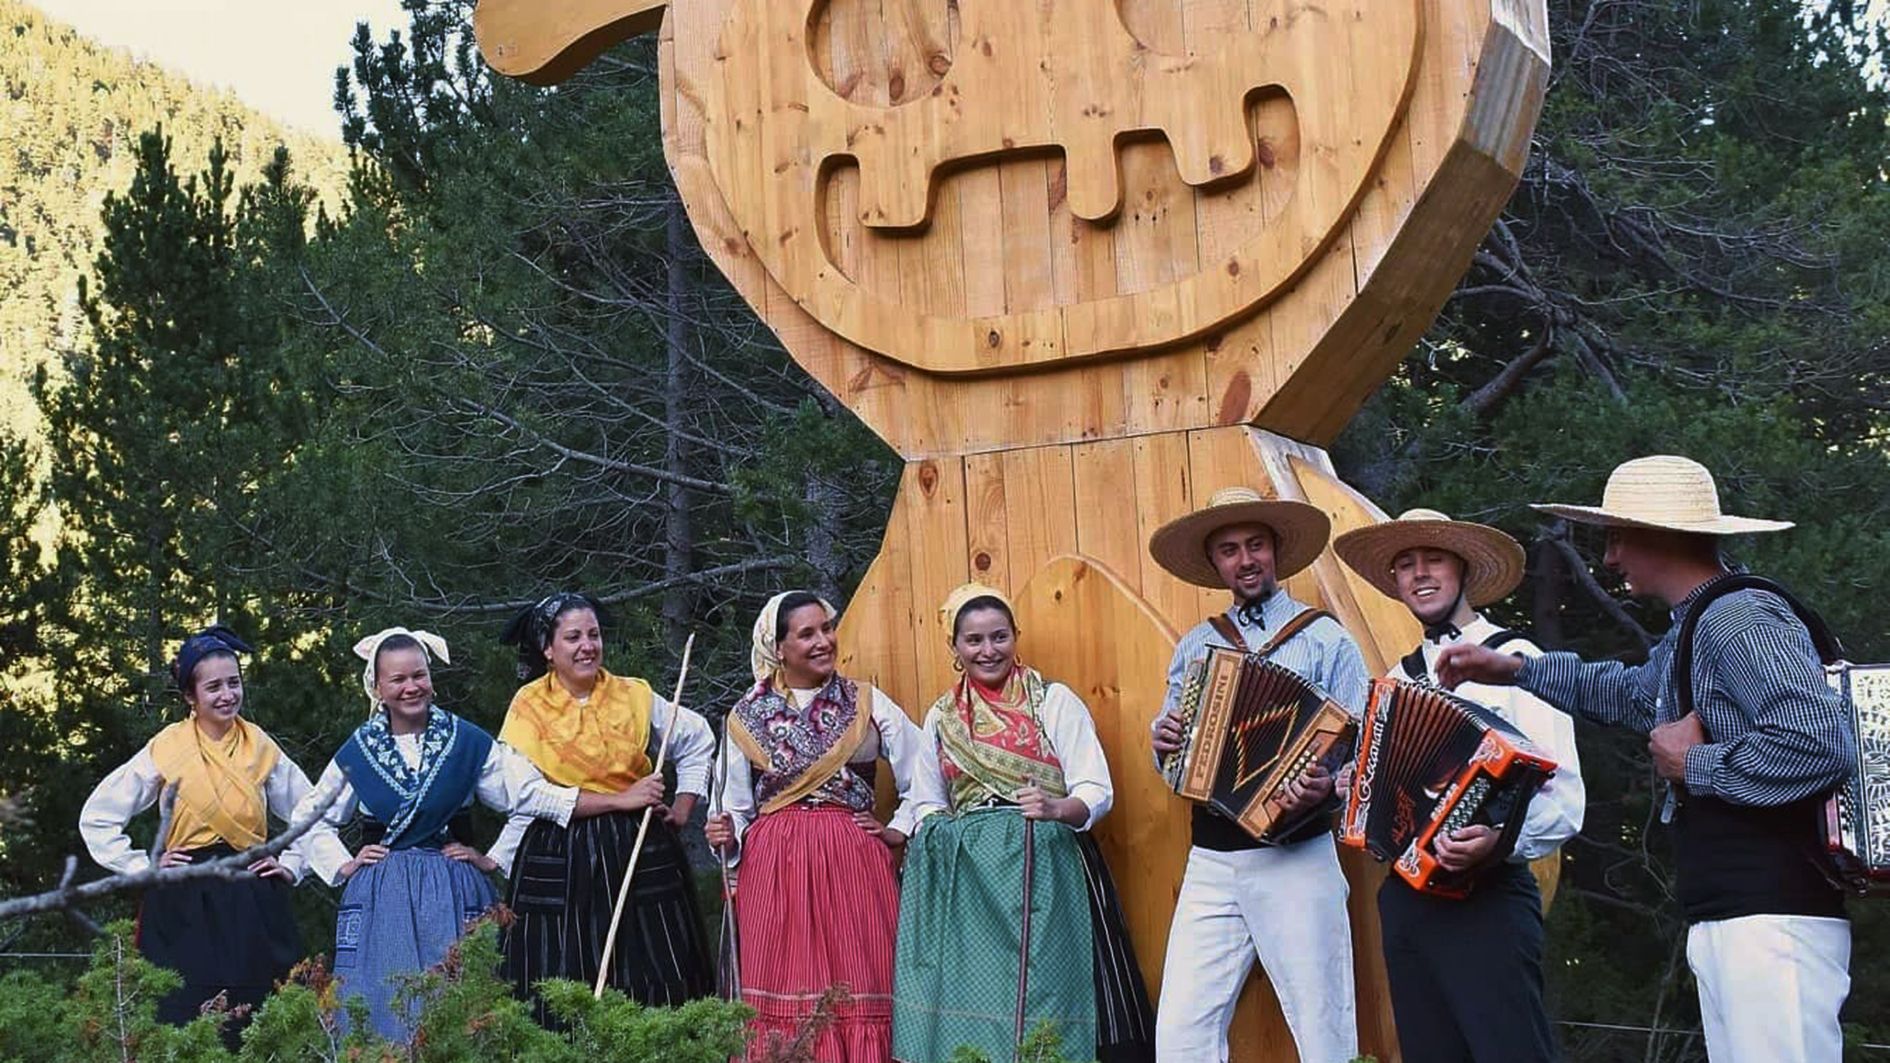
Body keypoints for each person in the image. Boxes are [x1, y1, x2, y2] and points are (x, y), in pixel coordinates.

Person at [1436, 455, 1855, 1063]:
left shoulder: (1737, 618)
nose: (1608, 558)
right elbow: (1633, 694)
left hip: (1775, 917)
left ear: (1660, 535)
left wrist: (1698, 765)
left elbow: (1820, 744)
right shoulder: (1699, 623)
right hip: (1740, 915)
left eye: (1617, 537)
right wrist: (1514, 670)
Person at [1333, 508, 1585, 1063]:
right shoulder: (1396, 681)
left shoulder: (1521, 661)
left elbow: (1567, 801)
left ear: (1463, 569)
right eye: (1405, 564)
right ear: (1395, 582)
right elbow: (1384, 800)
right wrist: (1355, 788)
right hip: (1406, 902)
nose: (1420, 573)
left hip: (1489, 901)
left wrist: (1499, 841)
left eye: (1434, 559)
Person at [1144, 486, 1368, 1063]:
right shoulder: (1197, 646)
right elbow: (1176, 765)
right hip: (1213, 857)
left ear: (1275, 553)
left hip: (1297, 853)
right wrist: (1161, 742)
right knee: (1180, 1034)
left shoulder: (1325, 639)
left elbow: (1363, 745)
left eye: (1255, 545)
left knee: (1324, 1031)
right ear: (1216, 564)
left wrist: (1330, 784)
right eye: (1229, 550)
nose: (1244, 560)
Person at [892, 583, 1155, 1063]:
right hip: (973, 880)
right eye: (973, 641)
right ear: (955, 647)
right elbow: (927, 802)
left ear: (1016, 636)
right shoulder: (942, 717)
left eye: (999, 637)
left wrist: (1056, 810)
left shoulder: (1053, 701)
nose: (988, 651)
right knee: (983, 990)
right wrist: (957, 838)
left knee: (1060, 985)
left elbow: (1096, 790)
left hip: (1052, 867)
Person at [293, 627, 582, 1041]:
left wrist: (494, 857)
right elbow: (309, 816)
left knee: (461, 1007)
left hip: (453, 887)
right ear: (377, 687)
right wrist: (343, 863)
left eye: (419, 676)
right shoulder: (360, 751)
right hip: (381, 895)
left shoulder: (466, 742)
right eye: (398, 679)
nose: (412, 687)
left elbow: (528, 798)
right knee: (380, 1005)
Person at [705, 591, 944, 1063]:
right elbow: (735, 809)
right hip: (775, 869)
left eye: (827, 629)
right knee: (782, 983)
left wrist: (899, 828)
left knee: (863, 979)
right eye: (807, 633)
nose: (823, 641)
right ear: (778, 648)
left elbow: (925, 776)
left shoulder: (867, 703)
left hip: (853, 862)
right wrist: (726, 838)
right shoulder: (744, 718)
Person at [79, 625, 313, 1041]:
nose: (227, 695)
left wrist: (292, 864)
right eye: (214, 687)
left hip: (251, 895)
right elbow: (98, 817)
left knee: (262, 1018)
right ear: (190, 696)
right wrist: (144, 865)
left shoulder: (260, 746)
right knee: (181, 1017)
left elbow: (311, 813)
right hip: (184, 896)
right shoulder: (167, 748)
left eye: (233, 683)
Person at [492, 592, 715, 1019]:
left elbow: (698, 738)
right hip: (560, 852)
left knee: (653, 958)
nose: (587, 646)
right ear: (548, 649)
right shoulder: (529, 707)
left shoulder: (633, 695)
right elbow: (525, 793)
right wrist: (619, 798)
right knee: (561, 968)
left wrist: (684, 807)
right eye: (573, 637)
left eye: (593, 635)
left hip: (638, 849)